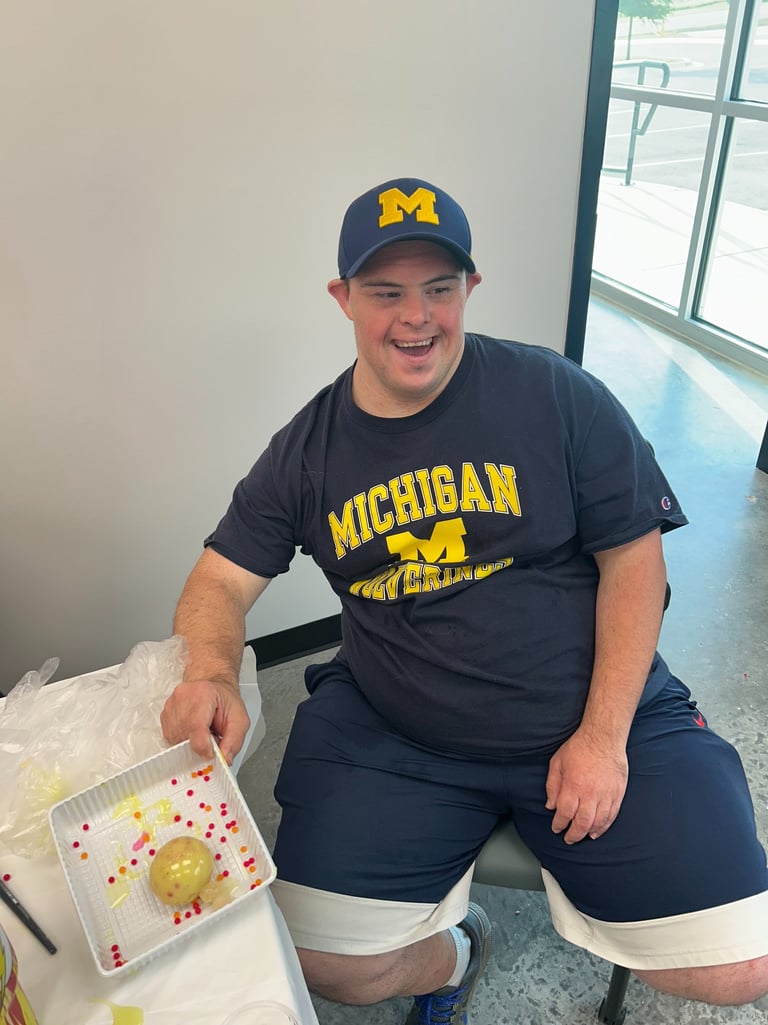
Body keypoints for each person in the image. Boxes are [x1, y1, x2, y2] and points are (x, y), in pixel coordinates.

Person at [161, 177, 768, 1023]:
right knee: (315, 961)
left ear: (469, 290)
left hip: (590, 708)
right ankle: (458, 950)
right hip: (394, 727)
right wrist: (216, 669)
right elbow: (220, 577)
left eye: (439, 288)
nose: (417, 318)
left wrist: (602, 734)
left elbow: (636, 559)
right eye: (386, 292)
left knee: (743, 965)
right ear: (343, 299)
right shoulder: (308, 449)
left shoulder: (555, 394)